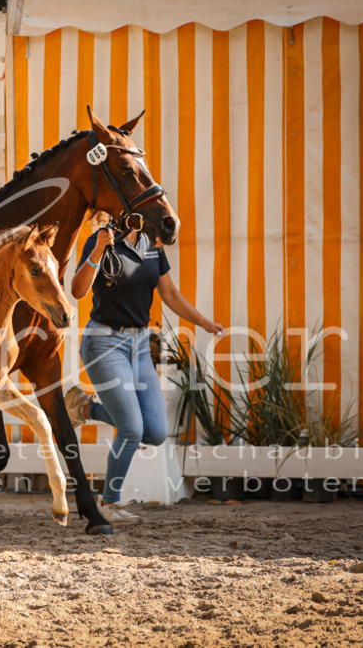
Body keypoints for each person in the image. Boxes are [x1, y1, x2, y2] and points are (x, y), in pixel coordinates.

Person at [65, 212, 224, 525]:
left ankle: (85, 409)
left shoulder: (153, 243)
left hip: (139, 345)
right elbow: (78, 290)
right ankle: (109, 503)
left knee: (155, 432)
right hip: (104, 344)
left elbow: (169, 293)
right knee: (131, 429)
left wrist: (204, 322)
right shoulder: (101, 241)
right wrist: (98, 250)